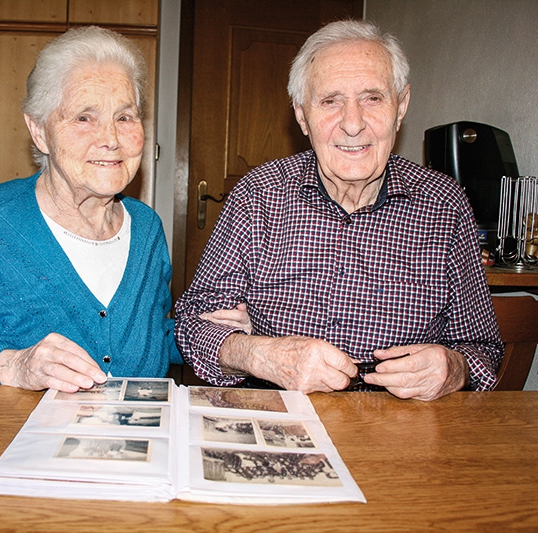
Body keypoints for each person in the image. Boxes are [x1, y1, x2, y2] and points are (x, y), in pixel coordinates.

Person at [0, 26, 248, 393]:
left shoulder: (147, 227)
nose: (110, 139)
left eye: (125, 117)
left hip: (136, 442)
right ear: (40, 131)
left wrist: (209, 334)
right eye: (83, 118)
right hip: (17, 444)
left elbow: (146, 337)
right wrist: (12, 364)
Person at [174, 20, 503, 401]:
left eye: (373, 98)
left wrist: (451, 368)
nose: (352, 123)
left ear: (401, 106)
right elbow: (191, 325)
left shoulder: (444, 204)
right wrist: (258, 354)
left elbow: (483, 348)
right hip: (279, 415)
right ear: (302, 116)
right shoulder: (257, 194)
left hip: (398, 430)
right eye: (330, 101)